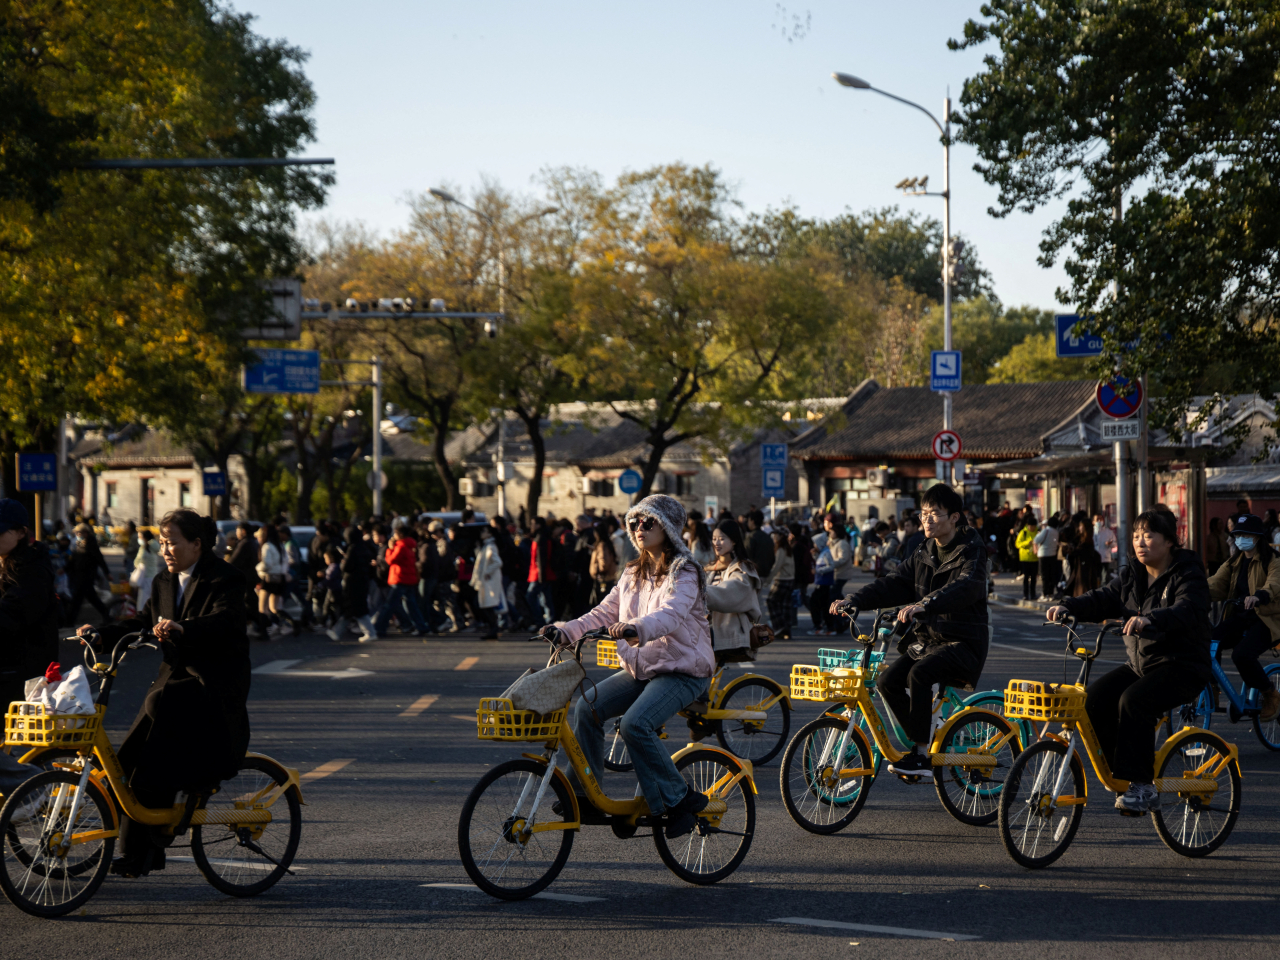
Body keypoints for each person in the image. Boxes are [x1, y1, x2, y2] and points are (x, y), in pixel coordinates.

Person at [79, 509, 249, 878]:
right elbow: (142, 621)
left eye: (171, 542)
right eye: (162, 542)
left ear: (196, 544)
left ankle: (146, 846)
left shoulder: (226, 578)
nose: (165, 550)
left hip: (213, 683)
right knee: (127, 764)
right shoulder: (163, 582)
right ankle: (137, 852)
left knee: (155, 745)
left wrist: (184, 628)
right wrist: (101, 634)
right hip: (173, 681)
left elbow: (226, 621)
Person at [548, 494, 715, 838]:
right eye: (635, 522)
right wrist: (566, 631)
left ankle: (679, 798)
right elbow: (603, 612)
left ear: (667, 528)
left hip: (683, 671)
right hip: (644, 669)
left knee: (635, 724)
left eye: (648, 521)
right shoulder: (632, 572)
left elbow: (670, 614)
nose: (640, 527)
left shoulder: (685, 572)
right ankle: (584, 795)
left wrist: (635, 627)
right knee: (587, 708)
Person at [1047, 509, 1212, 814]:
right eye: (1136, 535)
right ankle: (1124, 773)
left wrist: (1151, 619)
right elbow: (1103, 598)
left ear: (1170, 541)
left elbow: (1188, 608)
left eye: (1148, 535)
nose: (1140, 542)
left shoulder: (1188, 573)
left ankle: (1143, 785)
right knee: (1092, 700)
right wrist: (1068, 606)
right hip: (1141, 665)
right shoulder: (1131, 575)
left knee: (1133, 701)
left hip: (1182, 665)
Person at [830, 484, 990, 776]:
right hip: (929, 641)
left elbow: (965, 586)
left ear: (954, 517)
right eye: (923, 514)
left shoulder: (973, 552)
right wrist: (855, 600)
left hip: (963, 643)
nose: (926, 520)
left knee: (919, 675)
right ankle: (925, 735)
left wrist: (926, 604)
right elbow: (893, 582)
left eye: (934, 514)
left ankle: (921, 756)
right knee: (887, 681)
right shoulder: (924, 551)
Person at [1206, 513, 1280, 721]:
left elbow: (1274, 583)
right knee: (1209, 642)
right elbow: (1215, 583)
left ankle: (1270, 693)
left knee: (1242, 655)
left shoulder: (1273, 560)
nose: (1240, 539)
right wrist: (1190, 593)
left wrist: (1259, 596)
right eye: (1238, 535)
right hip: (1240, 617)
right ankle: (1212, 689)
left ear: (1257, 537)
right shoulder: (1234, 562)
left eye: (1245, 535)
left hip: (1266, 619)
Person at [0, 500, 58, 710]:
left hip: (21, 675)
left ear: (21, 532)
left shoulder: (32, 570)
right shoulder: (6, 562)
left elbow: (12, 616)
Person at [705, 518, 762, 661]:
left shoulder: (743, 569)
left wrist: (696, 592)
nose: (717, 543)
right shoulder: (710, 568)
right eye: (714, 539)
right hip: (709, 630)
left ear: (734, 541)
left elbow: (728, 594)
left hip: (730, 633)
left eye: (722, 539)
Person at [374, 523, 430, 638]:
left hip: (400, 578)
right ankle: (421, 626)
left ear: (399, 534)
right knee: (411, 604)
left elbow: (390, 560)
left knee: (389, 605)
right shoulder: (410, 545)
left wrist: (390, 549)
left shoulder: (401, 546)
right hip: (409, 578)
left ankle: (379, 628)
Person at [66, 521, 112, 624]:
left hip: (87, 576)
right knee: (87, 599)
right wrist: (66, 569)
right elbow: (74, 560)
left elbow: (100, 559)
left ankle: (70, 621)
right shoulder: (79, 544)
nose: (78, 535)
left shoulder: (91, 544)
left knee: (79, 599)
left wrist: (107, 573)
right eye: (77, 533)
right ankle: (106, 616)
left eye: (80, 533)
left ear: (86, 533)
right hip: (79, 576)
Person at [339, 525, 376, 641]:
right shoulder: (364, 547)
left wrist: (343, 561)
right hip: (363, 581)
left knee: (357, 609)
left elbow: (347, 567)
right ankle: (337, 631)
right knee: (358, 608)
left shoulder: (352, 549)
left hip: (353, 582)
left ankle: (370, 632)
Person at [254, 523, 289, 637]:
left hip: (268, 578)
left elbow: (267, 564)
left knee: (262, 607)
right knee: (274, 607)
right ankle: (292, 622)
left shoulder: (267, 546)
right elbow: (285, 561)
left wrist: (258, 567)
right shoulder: (280, 545)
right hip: (280, 578)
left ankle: (263, 632)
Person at [470, 525, 504, 640]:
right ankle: (493, 629)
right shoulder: (486, 546)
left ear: (490, 534)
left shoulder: (490, 546)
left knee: (486, 606)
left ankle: (493, 630)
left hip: (489, 581)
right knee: (485, 606)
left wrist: (487, 572)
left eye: (484, 531)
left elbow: (497, 562)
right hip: (487, 581)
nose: (482, 533)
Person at [824, 514, 854, 631]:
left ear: (837, 533)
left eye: (832, 532)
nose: (830, 534)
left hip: (841, 574)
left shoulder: (842, 543)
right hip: (836, 573)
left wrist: (830, 565)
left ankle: (841, 620)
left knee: (833, 596)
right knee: (837, 596)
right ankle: (845, 616)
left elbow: (843, 558)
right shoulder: (834, 543)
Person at [766, 529, 795, 640]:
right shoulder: (788, 548)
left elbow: (777, 566)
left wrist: (768, 580)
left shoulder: (781, 549)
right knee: (785, 605)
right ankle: (787, 629)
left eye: (776, 535)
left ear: (781, 536)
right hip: (790, 579)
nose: (774, 537)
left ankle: (779, 627)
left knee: (771, 601)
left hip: (782, 579)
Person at [130, 527, 163, 613]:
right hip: (154, 576)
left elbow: (137, 562)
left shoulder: (144, 548)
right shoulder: (154, 546)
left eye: (140, 537)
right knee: (152, 601)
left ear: (145, 538)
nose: (139, 539)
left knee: (143, 604)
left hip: (146, 577)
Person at [588, 524, 619, 607]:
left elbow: (603, 562)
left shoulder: (602, 545)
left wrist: (598, 571)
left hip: (603, 578)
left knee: (602, 604)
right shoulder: (607, 543)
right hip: (608, 578)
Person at [1034, 515, 1061, 602]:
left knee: (1044, 575)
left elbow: (1036, 540)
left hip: (1043, 555)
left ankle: (1045, 594)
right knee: (1051, 575)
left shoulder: (1046, 530)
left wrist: (1038, 534)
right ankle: (1051, 593)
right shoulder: (1056, 532)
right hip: (1053, 555)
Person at [1016, 516, 1040, 601]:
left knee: (1033, 577)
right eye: (1030, 526)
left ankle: (1033, 594)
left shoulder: (1038, 532)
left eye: (1033, 526)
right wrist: (1027, 543)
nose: (1032, 528)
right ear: (1028, 525)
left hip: (1035, 558)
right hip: (1025, 558)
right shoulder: (1023, 532)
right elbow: (1017, 544)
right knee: (1026, 577)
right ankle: (1025, 594)